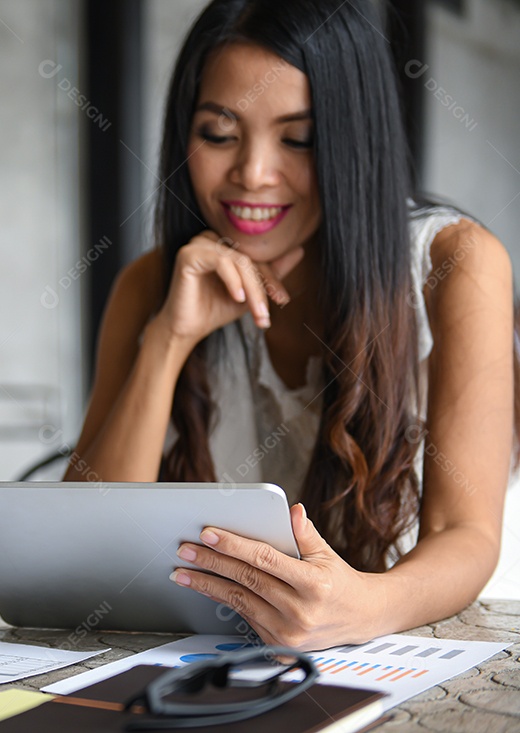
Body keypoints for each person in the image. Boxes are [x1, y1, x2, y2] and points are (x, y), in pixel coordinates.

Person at [66, 0, 516, 651]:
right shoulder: (152, 285)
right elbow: (83, 540)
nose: (252, 174)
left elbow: (464, 532)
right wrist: (169, 341)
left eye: (298, 139)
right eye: (219, 134)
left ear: (352, 141)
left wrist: (366, 604)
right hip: (255, 653)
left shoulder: (457, 264)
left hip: (446, 636)